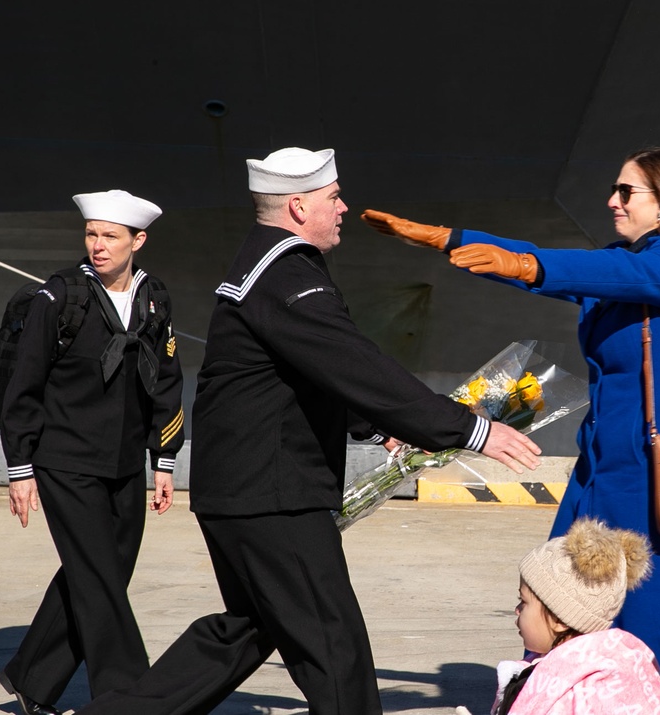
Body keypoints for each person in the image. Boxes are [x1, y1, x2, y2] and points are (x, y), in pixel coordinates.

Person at [74, 147, 542, 715]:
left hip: (244, 488)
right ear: (298, 207)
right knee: (331, 639)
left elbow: (302, 369)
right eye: (333, 196)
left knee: (248, 629)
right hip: (271, 493)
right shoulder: (286, 271)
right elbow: (351, 361)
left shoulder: (267, 263)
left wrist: (375, 428)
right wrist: (468, 429)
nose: (344, 207)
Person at [361, 147, 660, 713]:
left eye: (627, 192)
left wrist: (529, 267)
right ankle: (581, 693)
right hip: (602, 461)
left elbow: (597, 271)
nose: (612, 201)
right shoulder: (624, 262)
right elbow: (558, 263)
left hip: (658, 465)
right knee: (566, 589)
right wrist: (449, 237)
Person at [0, 190, 185, 715]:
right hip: (65, 461)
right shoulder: (60, 296)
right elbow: (23, 385)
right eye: (91, 234)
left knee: (102, 571)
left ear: (137, 241)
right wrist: (20, 468)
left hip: (124, 463)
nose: (98, 246)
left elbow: (167, 383)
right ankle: (129, 696)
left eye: (110, 236)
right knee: (99, 575)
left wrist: (163, 460)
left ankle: (31, 678)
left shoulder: (155, 298)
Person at [458, 517, 660, 715]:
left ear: (560, 620)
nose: (516, 610)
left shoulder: (566, 693)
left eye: (523, 602)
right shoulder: (626, 664)